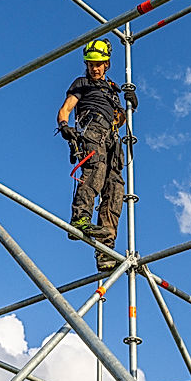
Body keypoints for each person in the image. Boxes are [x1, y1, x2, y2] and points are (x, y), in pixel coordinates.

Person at [57, 39, 138, 272]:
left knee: (114, 190)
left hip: (113, 138)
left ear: (107, 64)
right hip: (93, 131)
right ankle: (80, 218)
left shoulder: (112, 89)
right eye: (91, 64)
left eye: (99, 64)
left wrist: (129, 106)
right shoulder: (82, 83)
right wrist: (64, 125)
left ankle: (105, 250)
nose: (95, 68)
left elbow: (119, 120)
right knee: (95, 171)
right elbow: (65, 108)